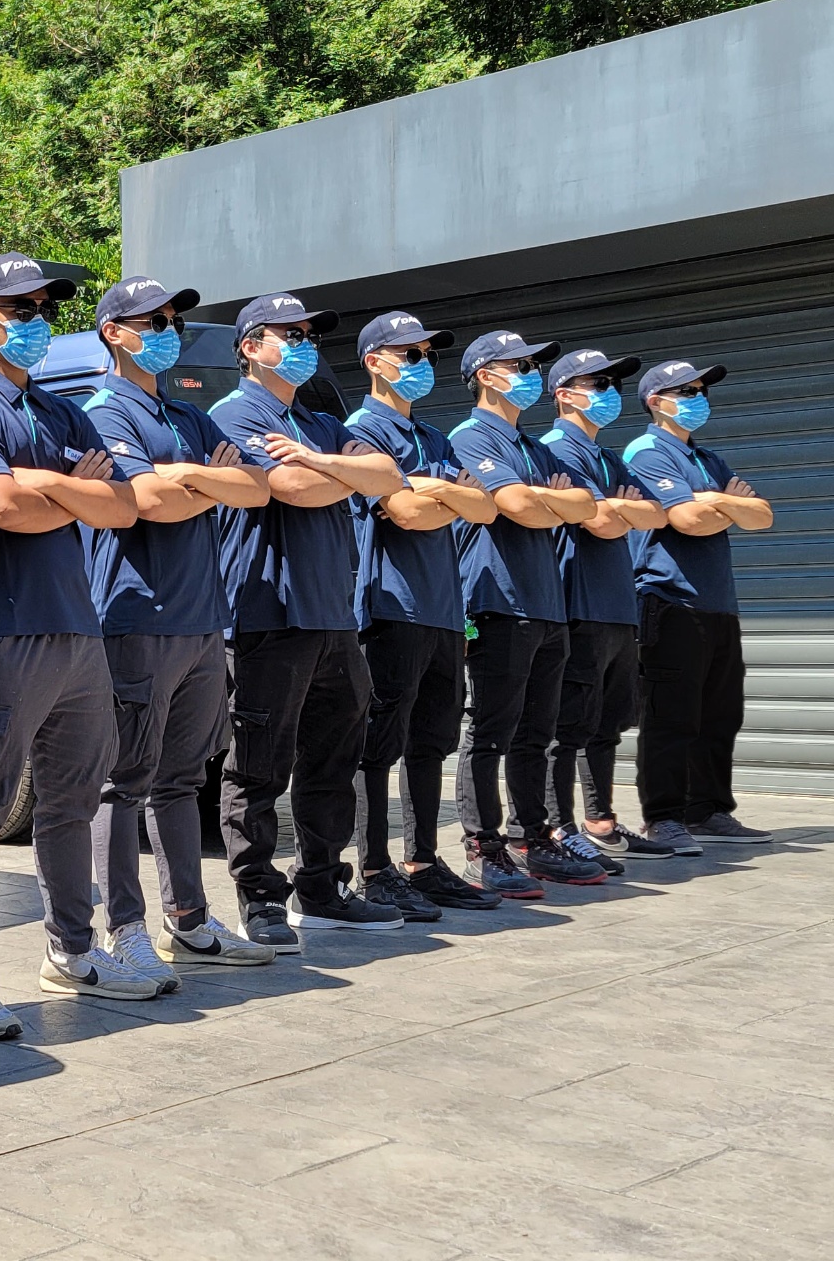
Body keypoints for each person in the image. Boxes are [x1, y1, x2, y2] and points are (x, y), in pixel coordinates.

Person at [0, 252, 157, 1032]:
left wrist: (47, 486)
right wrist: (72, 488)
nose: (31, 322)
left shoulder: (63, 412)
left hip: (76, 631)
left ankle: (72, 949)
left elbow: (124, 508)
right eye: (16, 309)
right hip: (1, 632)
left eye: (40, 309)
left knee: (73, 798)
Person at [79, 278, 279, 974]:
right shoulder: (104, 411)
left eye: (172, 319)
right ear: (115, 331)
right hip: (137, 615)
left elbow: (257, 487)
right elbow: (145, 502)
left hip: (200, 620)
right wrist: (201, 480)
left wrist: (185, 475)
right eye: (152, 319)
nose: (167, 328)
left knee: (182, 778)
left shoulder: (187, 414)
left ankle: (188, 918)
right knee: (122, 779)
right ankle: (125, 929)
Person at [206, 295, 411, 948]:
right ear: (249, 346)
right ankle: (259, 899)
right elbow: (285, 489)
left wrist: (320, 461)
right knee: (258, 769)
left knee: (334, 763)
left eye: (307, 334)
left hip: (333, 619)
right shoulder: (231, 414)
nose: (302, 342)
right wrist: (331, 475)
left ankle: (321, 888)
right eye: (286, 334)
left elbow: (387, 475)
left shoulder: (318, 424)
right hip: (269, 615)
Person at [344, 312, 504, 918]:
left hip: (441, 610)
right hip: (390, 606)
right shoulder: (361, 429)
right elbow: (406, 513)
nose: (420, 363)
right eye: (406, 354)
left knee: (431, 741)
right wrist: (437, 496)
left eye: (426, 354)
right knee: (378, 746)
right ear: (374, 362)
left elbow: (482, 508)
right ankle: (374, 868)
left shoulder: (436, 438)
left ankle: (422, 860)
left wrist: (429, 491)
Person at [445, 331, 609, 898]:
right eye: (521, 365)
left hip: (547, 605)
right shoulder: (469, 436)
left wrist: (548, 502)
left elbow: (587, 507)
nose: (532, 374)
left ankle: (531, 837)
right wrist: (548, 501)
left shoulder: (534, 447)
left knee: (535, 733)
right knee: (490, 731)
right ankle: (482, 848)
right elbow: (514, 505)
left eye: (535, 365)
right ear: (487, 374)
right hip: (497, 603)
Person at [623, 360, 776, 847]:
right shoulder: (647, 452)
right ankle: (664, 815)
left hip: (718, 605)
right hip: (669, 600)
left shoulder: (709, 460)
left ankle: (708, 810)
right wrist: (724, 503)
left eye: (701, 390)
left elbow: (763, 517)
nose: (698, 398)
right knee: (671, 715)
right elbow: (688, 520)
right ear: (656, 401)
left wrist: (715, 503)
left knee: (719, 715)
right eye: (686, 391)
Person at [539, 348, 677, 867]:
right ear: (564, 394)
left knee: (606, 723)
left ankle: (600, 821)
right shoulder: (557, 448)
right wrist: (615, 509)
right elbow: (599, 520)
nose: (607, 392)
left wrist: (613, 507)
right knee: (566, 725)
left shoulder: (608, 456)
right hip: (578, 601)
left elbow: (652, 514)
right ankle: (558, 827)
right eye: (595, 383)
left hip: (617, 604)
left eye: (610, 383)